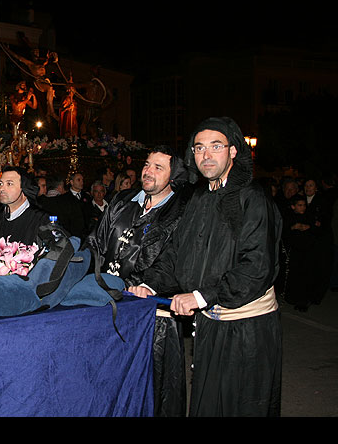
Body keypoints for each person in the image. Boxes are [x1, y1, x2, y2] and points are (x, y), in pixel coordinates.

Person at [129, 117, 283, 417]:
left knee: (240, 406)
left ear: (233, 151)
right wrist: (150, 285)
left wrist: (200, 296)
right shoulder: (199, 198)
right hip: (210, 325)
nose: (206, 155)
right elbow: (176, 254)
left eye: (216, 146)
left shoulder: (252, 198)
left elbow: (256, 267)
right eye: (199, 148)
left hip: (246, 330)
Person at [86, 145, 193, 417]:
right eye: (147, 165)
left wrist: (149, 286)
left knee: (151, 388)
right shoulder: (123, 201)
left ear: (174, 176)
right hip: (109, 304)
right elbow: (97, 243)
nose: (148, 171)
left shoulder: (179, 214)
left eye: (158, 167)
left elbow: (177, 259)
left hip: (151, 314)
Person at [0, 166, 50, 246]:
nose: (1, 188)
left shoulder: (43, 222)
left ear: (24, 189)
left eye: (9, 184)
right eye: (0, 184)